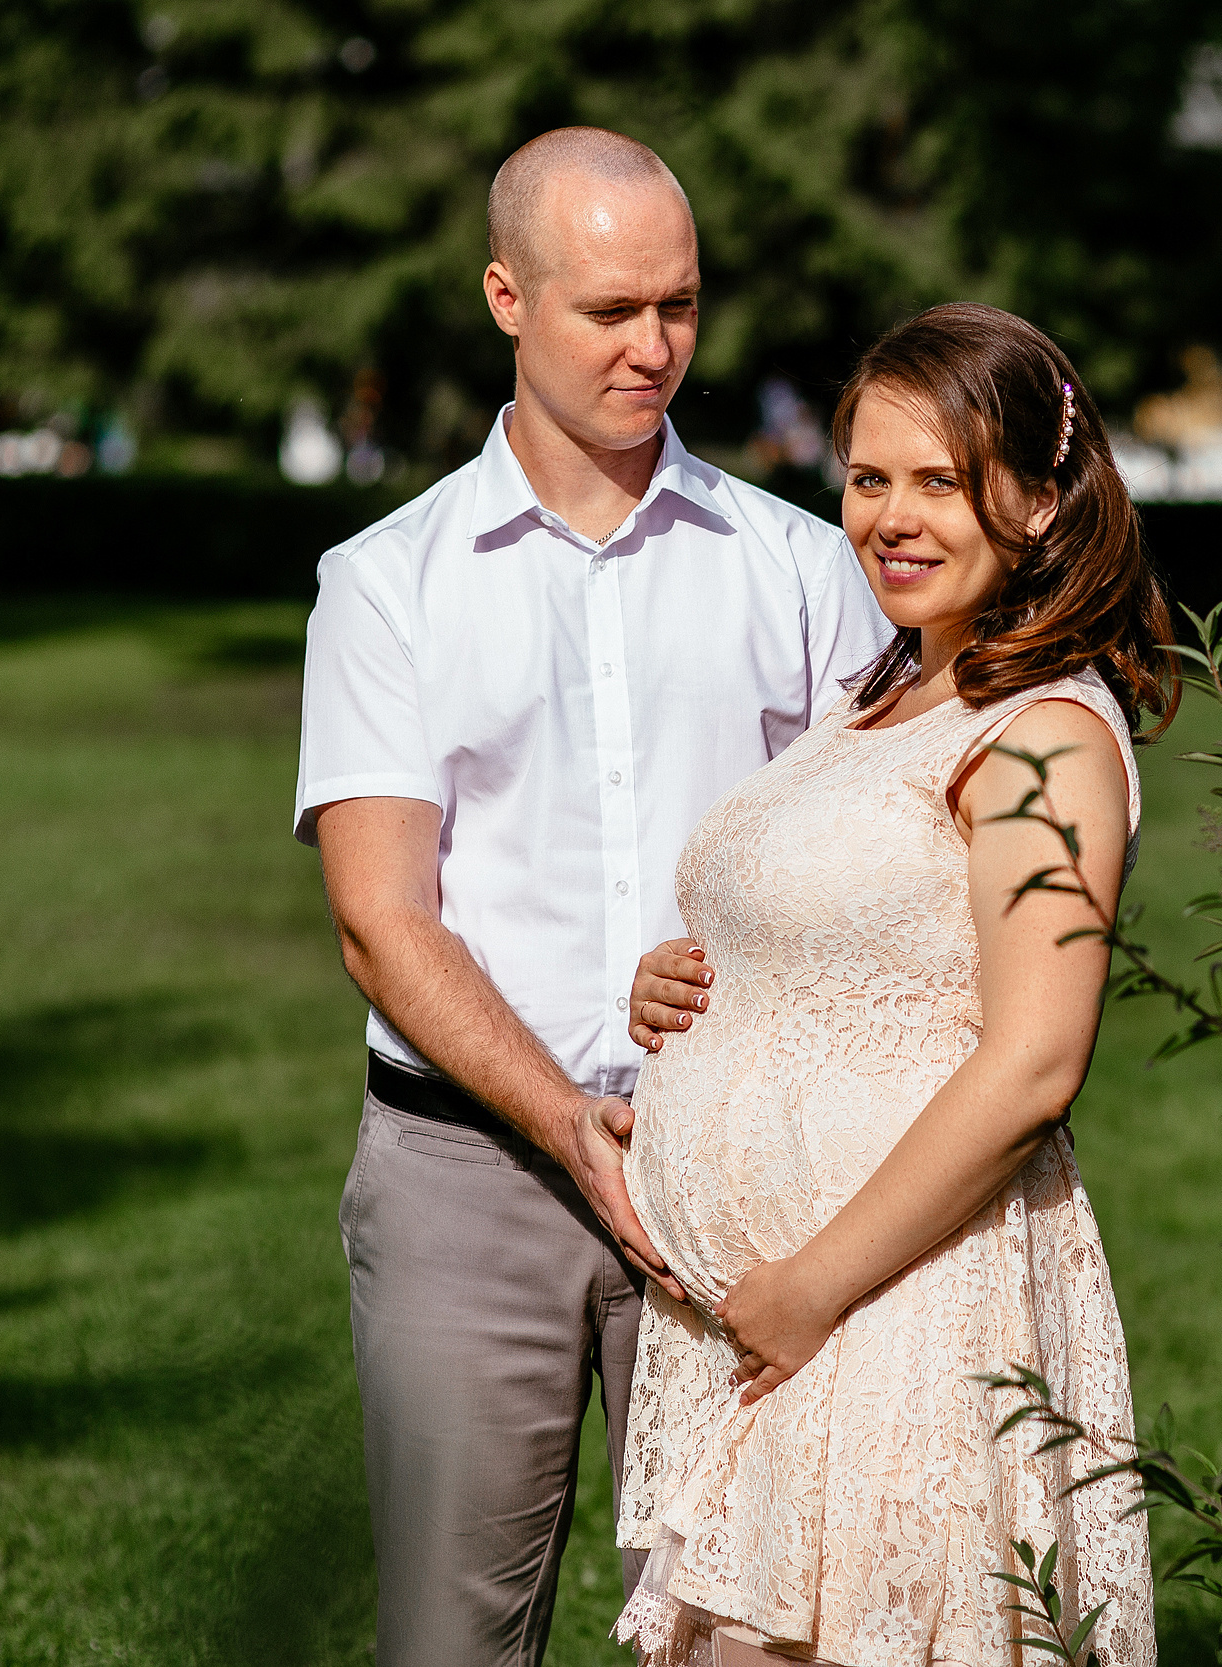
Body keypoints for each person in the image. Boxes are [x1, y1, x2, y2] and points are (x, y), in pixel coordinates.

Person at [294, 127, 893, 1667]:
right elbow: (382, 920)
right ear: (507, 296)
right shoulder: (390, 581)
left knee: (741, 1631)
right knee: (452, 1641)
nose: (655, 347)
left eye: (679, 306)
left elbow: (878, 865)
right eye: (608, 310)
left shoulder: (803, 569)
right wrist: (568, 1122)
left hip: (738, 1172)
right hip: (465, 1177)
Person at [607, 303, 1169, 1667]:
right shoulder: (886, 697)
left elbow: (1036, 1060)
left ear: (1039, 500)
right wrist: (684, 988)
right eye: (869, 479)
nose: (894, 519)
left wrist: (809, 1288)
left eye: (943, 480)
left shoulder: (1041, 741)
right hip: (789, 1320)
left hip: (896, 1304)